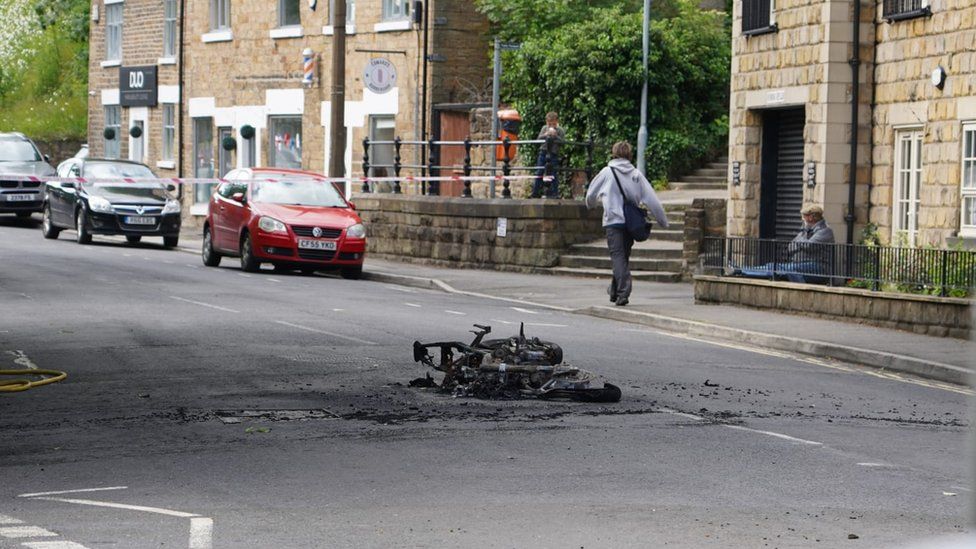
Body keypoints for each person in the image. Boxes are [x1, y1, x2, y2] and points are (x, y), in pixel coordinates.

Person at [585, 141, 669, 306]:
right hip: (631, 223)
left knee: (618, 257)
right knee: (622, 257)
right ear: (630, 155)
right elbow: (652, 199)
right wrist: (663, 221)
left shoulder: (606, 172)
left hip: (613, 221)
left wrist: (591, 205)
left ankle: (624, 292)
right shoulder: (636, 174)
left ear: (614, 153)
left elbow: (591, 195)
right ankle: (615, 291)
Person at [736, 204, 836, 283]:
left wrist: (800, 241)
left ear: (811, 217)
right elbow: (790, 247)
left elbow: (809, 246)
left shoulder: (825, 231)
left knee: (781, 268)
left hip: (818, 267)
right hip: (801, 264)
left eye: (804, 216)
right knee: (773, 266)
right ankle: (742, 270)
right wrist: (801, 243)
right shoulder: (805, 231)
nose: (803, 219)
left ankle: (743, 271)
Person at [531, 111, 565, 198]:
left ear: (556, 121)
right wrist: (546, 134)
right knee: (539, 172)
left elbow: (562, 142)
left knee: (553, 173)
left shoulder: (560, 130)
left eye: (552, 123)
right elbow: (539, 138)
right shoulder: (544, 128)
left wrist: (555, 136)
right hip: (543, 152)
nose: (550, 125)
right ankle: (535, 192)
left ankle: (555, 193)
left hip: (553, 154)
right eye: (549, 123)